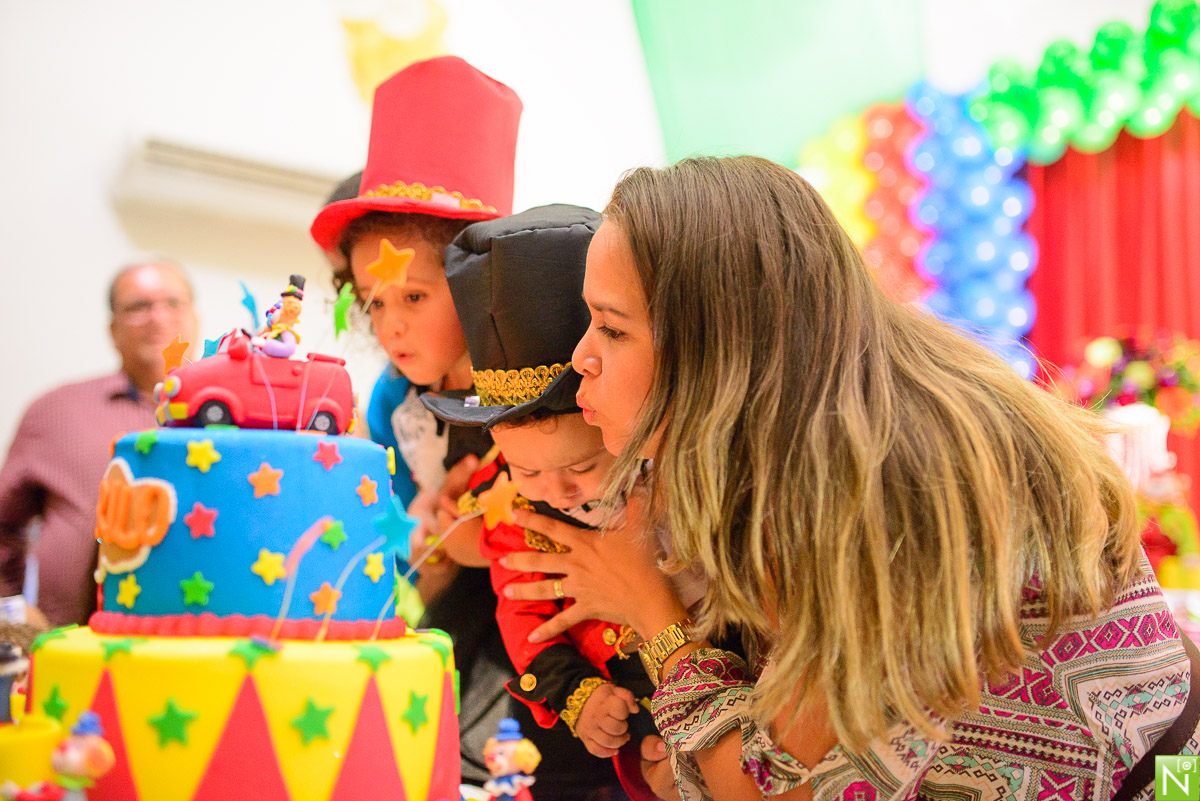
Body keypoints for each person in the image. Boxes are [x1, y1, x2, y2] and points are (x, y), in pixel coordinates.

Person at [501, 156, 1200, 801]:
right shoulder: (897, 401)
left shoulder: (839, 506)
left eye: (612, 329)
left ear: (718, 349)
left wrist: (652, 614)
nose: (579, 357)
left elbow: (766, 788)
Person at [421, 205, 675, 800]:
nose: (556, 490)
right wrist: (578, 697)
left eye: (584, 466)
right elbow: (525, 623)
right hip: (620, 730)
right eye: (526, 469)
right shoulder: (517, 520)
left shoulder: (677, 488)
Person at [0, 259, 198, 626]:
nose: (158, 317)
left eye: (173, 303)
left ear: (195, 318)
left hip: (201, 651)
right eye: (139, 306)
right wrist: (9, 610)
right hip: (67, 652)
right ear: (112, 329)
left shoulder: (239, 420)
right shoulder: (55, 412)